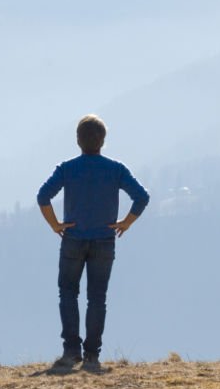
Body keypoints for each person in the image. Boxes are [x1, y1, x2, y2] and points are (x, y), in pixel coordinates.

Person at [37, 114, 149, 371]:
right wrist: (126, 223)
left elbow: (43, 196)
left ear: (78, 140)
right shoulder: (116, 169)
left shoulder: (66, 168)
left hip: (73, 239)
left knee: (68, 293)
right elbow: (141, 197)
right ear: (103, 141)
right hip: (104, 240)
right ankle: (92, 355)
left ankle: (70, 350)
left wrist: (55, 225)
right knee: (97, 298)